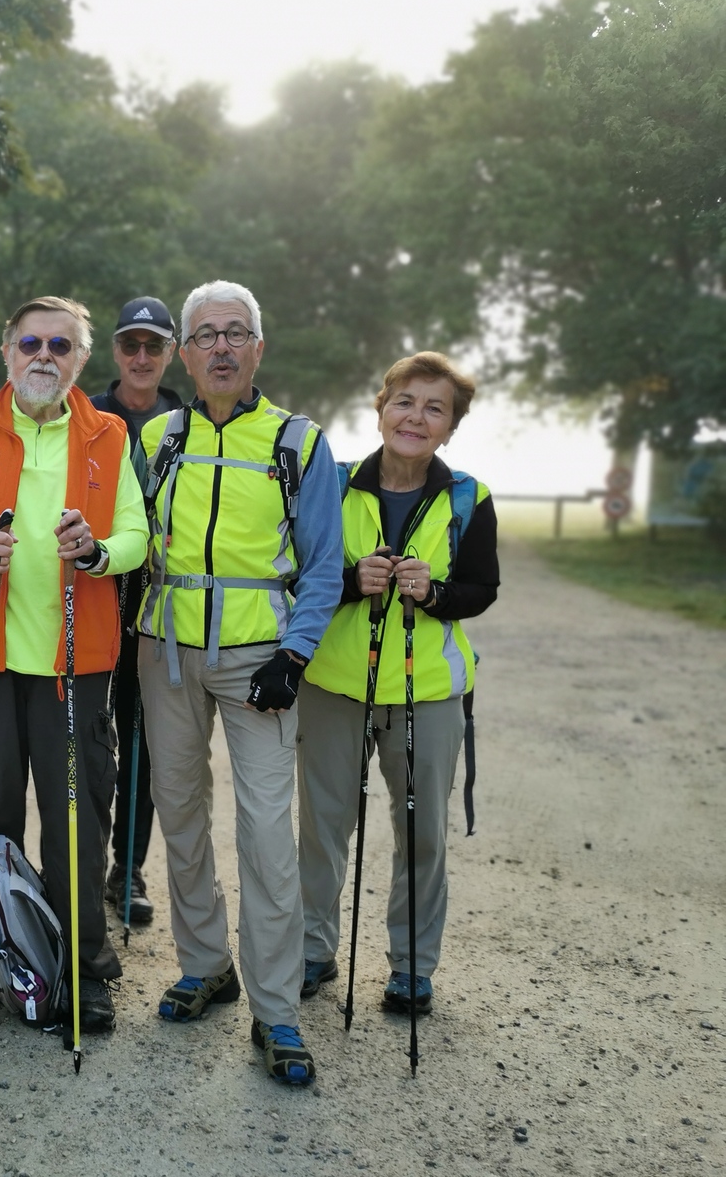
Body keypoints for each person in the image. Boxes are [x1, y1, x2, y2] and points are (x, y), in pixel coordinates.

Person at [0, 295, 149, 1035]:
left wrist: (101, 551)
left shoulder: (108, 434)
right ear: (7, 352)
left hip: (72, 665)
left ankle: (83, 967)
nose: (43, 355)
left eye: (60, 345)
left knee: (77, 819)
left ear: (81, 360)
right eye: (30, 343)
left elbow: (139, 533)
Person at [135, 279, 342, 1084]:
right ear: (185, 352)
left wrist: (294, 656)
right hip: (168, 651)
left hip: (263, 662)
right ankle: (203, 963)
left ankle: (278, 1011)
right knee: (179, 809)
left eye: (236, 333)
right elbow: (132, 538)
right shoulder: (158, 438)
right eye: (205, 334)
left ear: (260, 347)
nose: (220, 347)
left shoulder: (298, 442)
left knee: (264, 831)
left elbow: (324, 565)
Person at [296, 351, 498, 1016]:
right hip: (333, 685)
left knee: (422, 831)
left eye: (435, 408)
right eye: (405, 401)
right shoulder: (328, 481)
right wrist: (357, 582)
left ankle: (411, 966)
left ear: (450, 427)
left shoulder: (469, 497)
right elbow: (295, 574)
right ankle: (312, 950)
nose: (417, 416)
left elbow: (480, 589)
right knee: (323, 827)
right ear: (380, 407)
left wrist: (433, 592)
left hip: (427, 692)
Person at [90, 296, 184, 927]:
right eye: (131, 345)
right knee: (91, 740)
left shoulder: (191, 419)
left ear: (172, 351)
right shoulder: (88, 416)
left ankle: (129, 866)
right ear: (116, 351)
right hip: (96, 595)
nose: (142, 357)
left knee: (145, 745)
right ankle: (82, 857)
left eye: (155, 345)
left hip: (161, 602)